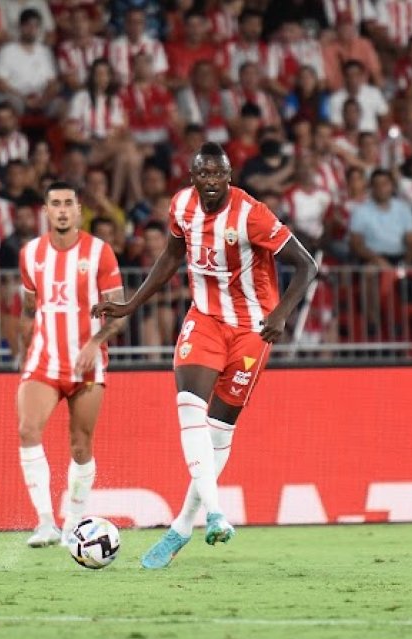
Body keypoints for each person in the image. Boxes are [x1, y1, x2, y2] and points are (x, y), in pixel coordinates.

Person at [93, 143, 317, 568]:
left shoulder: (252, 214)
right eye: (203, 175)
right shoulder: (181, 206)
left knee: (217, 433)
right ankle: (215, 513)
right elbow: (172, 256)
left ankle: (181, 527)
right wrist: (131, 304)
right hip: (206, 320)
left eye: (219, 175)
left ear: (229, 176)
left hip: (252, 330)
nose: (211, 182)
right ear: (193, 176)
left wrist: (281, 314)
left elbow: (307, 265)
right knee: (188, 406)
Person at [16, 181, 126, 547]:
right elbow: (31, 305)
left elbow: (119, 310)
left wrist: (95, 342)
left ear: (79, 210)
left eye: (68, 204)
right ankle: (45, 522)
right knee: (28, 430)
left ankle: (73, 525)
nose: (62, 210)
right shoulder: (30, 254)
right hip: (44, 361)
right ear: (46, 211)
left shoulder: (99, 253)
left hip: (87, 366)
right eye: (55, 204)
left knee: (80, 445)